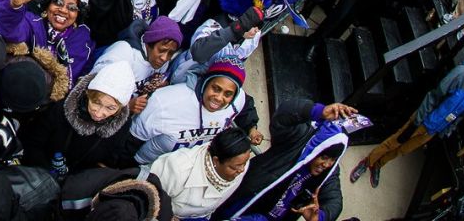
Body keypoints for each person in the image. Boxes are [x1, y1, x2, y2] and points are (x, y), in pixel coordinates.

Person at [349, 48, 464, 188]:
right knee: (394, 142)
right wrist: (418, 120)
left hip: (433, 130)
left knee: (403, 150)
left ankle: (378, 164)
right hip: (423, 120)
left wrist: (446, 130)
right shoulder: (461, 73)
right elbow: (435, 96)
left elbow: (462, 114)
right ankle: (367, 163)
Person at [219, 99, 356, 221]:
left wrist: (320, 216)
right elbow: (283, 115)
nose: (326, 164)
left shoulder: (328, 172)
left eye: (333, 159)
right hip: (242, 198)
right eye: (324, 157)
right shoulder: (298, 139)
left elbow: (335, 202)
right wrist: (317, 111)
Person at [132, 54, 262, 163]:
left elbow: (246, 105)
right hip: (146, 164)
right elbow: (132, 139)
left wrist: (251, 128)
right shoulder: (165, 100)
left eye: (228, 94)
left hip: (186, 167)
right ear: (205, 82)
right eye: (216, 88)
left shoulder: (238, 100)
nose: (219, 98)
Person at [146, 127, 253, 221]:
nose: (241, 170)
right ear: (216, 160)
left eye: (244, 163)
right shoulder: (176, 168)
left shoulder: (241, 162)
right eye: (234, 167)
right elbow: (147, 202)